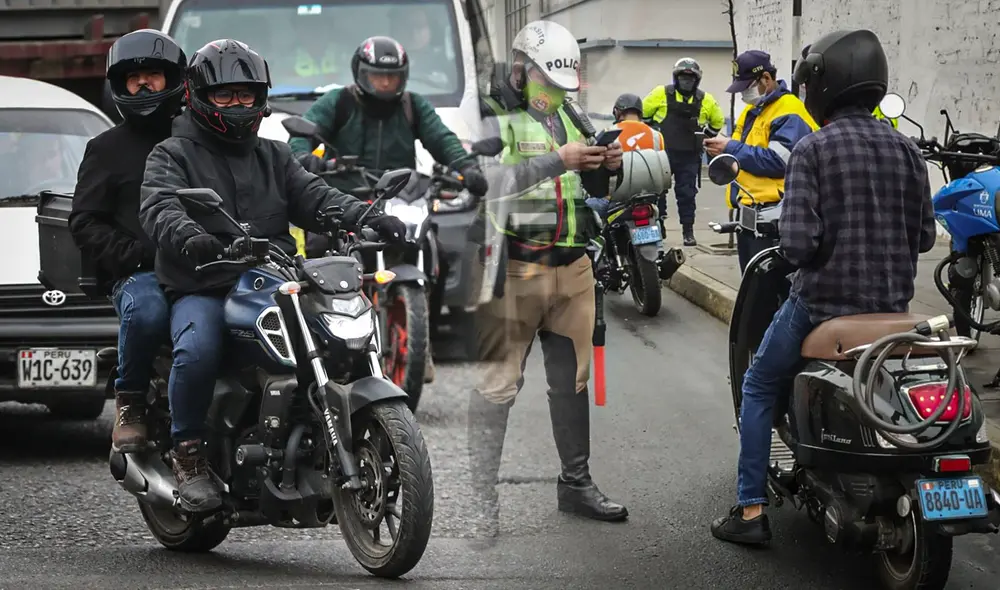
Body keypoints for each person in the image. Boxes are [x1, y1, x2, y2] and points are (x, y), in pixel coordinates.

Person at [138, 39, 407, 513]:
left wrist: (366, 216)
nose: (237, 104)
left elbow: (315, 196)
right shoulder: (172, 154)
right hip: (204, 282)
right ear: (199, 97)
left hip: (274, 277)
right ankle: (189, 453)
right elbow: (160, 206)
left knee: (330, 331)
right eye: (225, 95)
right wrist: (192, 236)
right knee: (198, 347)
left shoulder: (275, 155)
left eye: (246, 94)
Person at [709, 29, 936, 545]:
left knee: (759, 383)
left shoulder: (812, 148)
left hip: (821, 307)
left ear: (823, 84)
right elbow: (924, 237)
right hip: (894, 310)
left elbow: (797, 245)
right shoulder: (908, 150)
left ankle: (750, 511)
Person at [467, 20, 629, 544]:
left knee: (573, 379)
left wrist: (606, 164)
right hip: (514, 268)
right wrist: (558, 160)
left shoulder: (569, 114)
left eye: (563, 86)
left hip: (571, 267)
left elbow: (589, 184)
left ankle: (576, 484)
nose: (556, 94)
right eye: (548, 83)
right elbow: (487, 183)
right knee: (497, 385)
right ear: (521, 69)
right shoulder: (492, 114)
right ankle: (479, 499)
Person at [291, 35, 486, 384]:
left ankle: (422, 339)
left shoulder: (413, 105)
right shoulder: (339, 101)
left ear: (403, 77)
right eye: (377, 76)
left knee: (436, 251)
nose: (384, 83)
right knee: (319, 255)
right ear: (360, 73)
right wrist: (303, 157)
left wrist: (467, 167)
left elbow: (442, 138)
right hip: (346, 199)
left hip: (398, 197)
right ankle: (314, 343)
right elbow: (304, 133)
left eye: (392, 77)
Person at [68, 29, 187, 453]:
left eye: (152, 75)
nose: (143, 85)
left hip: (203, 266)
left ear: (174, 78)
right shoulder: (105, 148)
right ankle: (130, 399)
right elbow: (84, 220)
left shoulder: (198, 138)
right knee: (148, 310)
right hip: (140, 274)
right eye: (133, 78)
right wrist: (135, 255)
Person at [704, 50, 818, 272]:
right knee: (752, 283)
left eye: (747, 87)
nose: (743, 94)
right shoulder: (753, 110)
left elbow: (780, 162)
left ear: (766, 78)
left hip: (775, 218)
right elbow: (739, 155)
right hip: (749, 214)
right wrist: (720, 151)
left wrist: (730, 147)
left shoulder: (789, 110)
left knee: (770, 286)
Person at [642, 58, 725, 246]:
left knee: (687, 194)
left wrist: (704, 137)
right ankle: (659, 225)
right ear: (676, 78)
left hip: (689, 156)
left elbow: (717, 122)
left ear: (697, 80)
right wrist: (653, 133)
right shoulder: (661, 93)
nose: (686, 82)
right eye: (683, 78)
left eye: (690, 78)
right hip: (662, 154)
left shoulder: (705, 99)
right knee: (658, 192)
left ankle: (688, 231)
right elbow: (643, 114)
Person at [585, 93, 664, 219]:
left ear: (617, 112)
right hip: (648, 198)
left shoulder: (609, 133)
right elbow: (663, 166)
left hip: (615, 200)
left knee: (586, 211)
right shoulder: (657, 135)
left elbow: (596, 164)